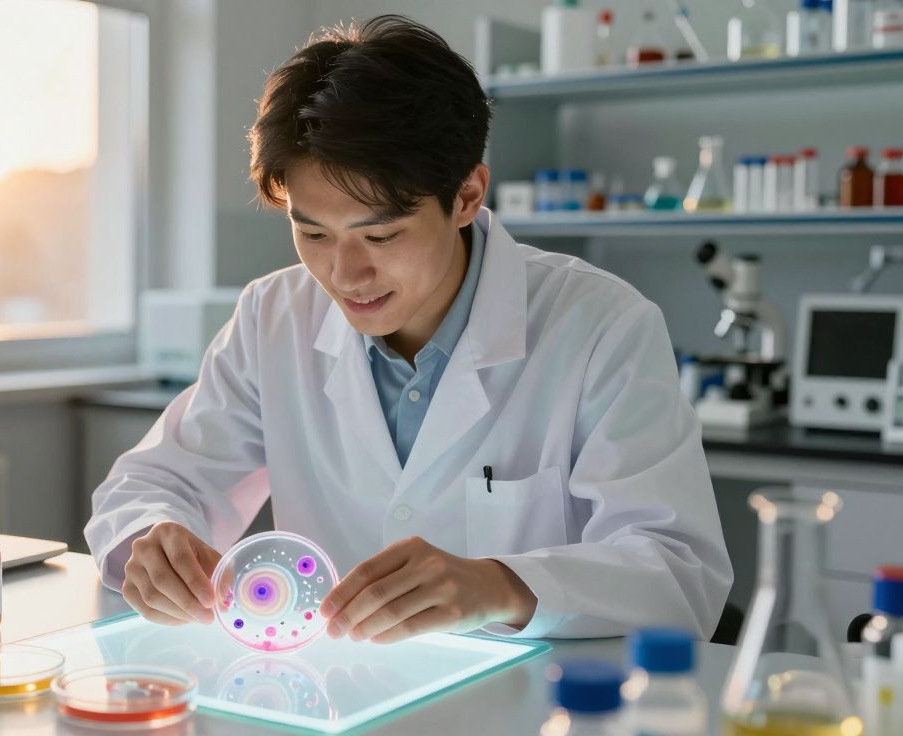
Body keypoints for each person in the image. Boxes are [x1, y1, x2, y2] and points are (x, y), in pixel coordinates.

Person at [86, 15, 732, 642]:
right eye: (312, 233)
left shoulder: (601, 328)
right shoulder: (272, 317)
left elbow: (679, 571)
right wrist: (152, 540)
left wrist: (499, 586)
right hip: (334, 696)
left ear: (467, 196)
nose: (345, 273)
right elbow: (148, 485)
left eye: (382, 234)